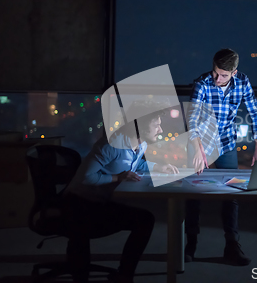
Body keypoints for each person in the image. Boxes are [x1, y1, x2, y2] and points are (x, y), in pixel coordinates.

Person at [63, 101, 179, 283]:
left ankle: (124, 275)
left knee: (145, 219)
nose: (161, 130)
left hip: (101, 201)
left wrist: (158, 166)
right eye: (156, 125)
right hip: (79, 203)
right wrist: (117, 178)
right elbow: (85, 178)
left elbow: (135, 164)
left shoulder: (141, 144)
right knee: (143, 219)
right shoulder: (111, 145)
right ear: (139, 124)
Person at [186, 48, 257, 266]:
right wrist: (197, 148)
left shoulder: (242, 82)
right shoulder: (203, 83)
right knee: (193, 193)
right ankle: (189, 244)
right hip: (200, 143)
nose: (217, 78)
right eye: (215, 72)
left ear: (234, 72)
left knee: (231, 194)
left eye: (223, 75)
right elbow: (191, 118)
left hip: (226, 144)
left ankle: (231, 245)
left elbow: (254, 111)